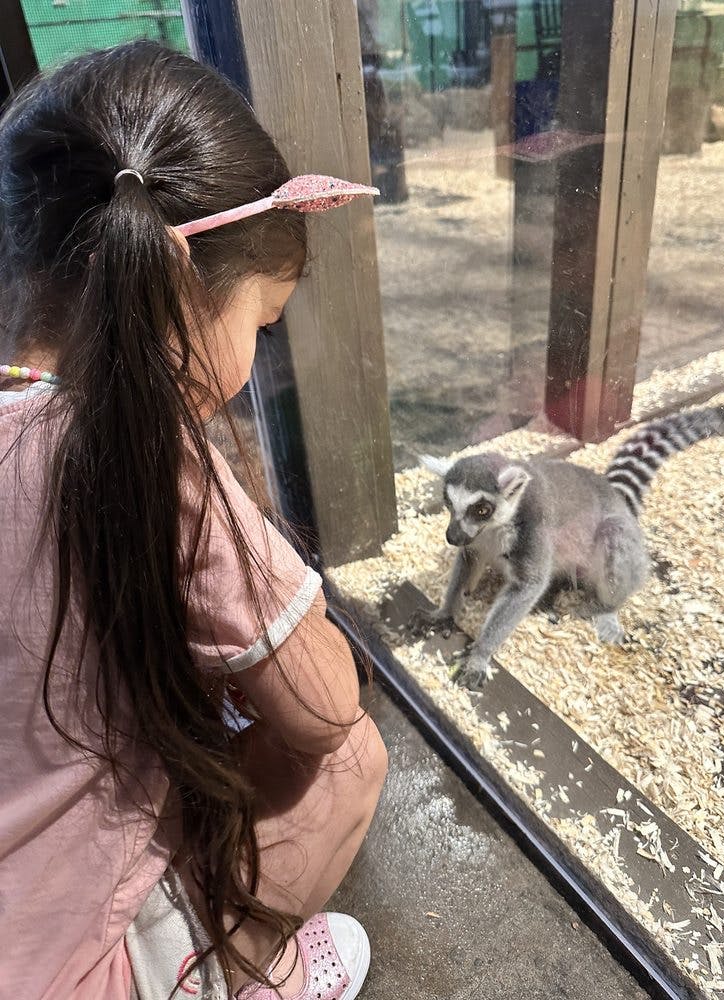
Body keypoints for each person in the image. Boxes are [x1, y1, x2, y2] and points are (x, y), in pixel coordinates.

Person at [0, 40, 387, 1000]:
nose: (255, 365)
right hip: (62, 967)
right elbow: (326, 704)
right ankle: (230, 977)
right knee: (350, 756)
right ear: (170, 285)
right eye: (261, 325)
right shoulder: (134, 456)